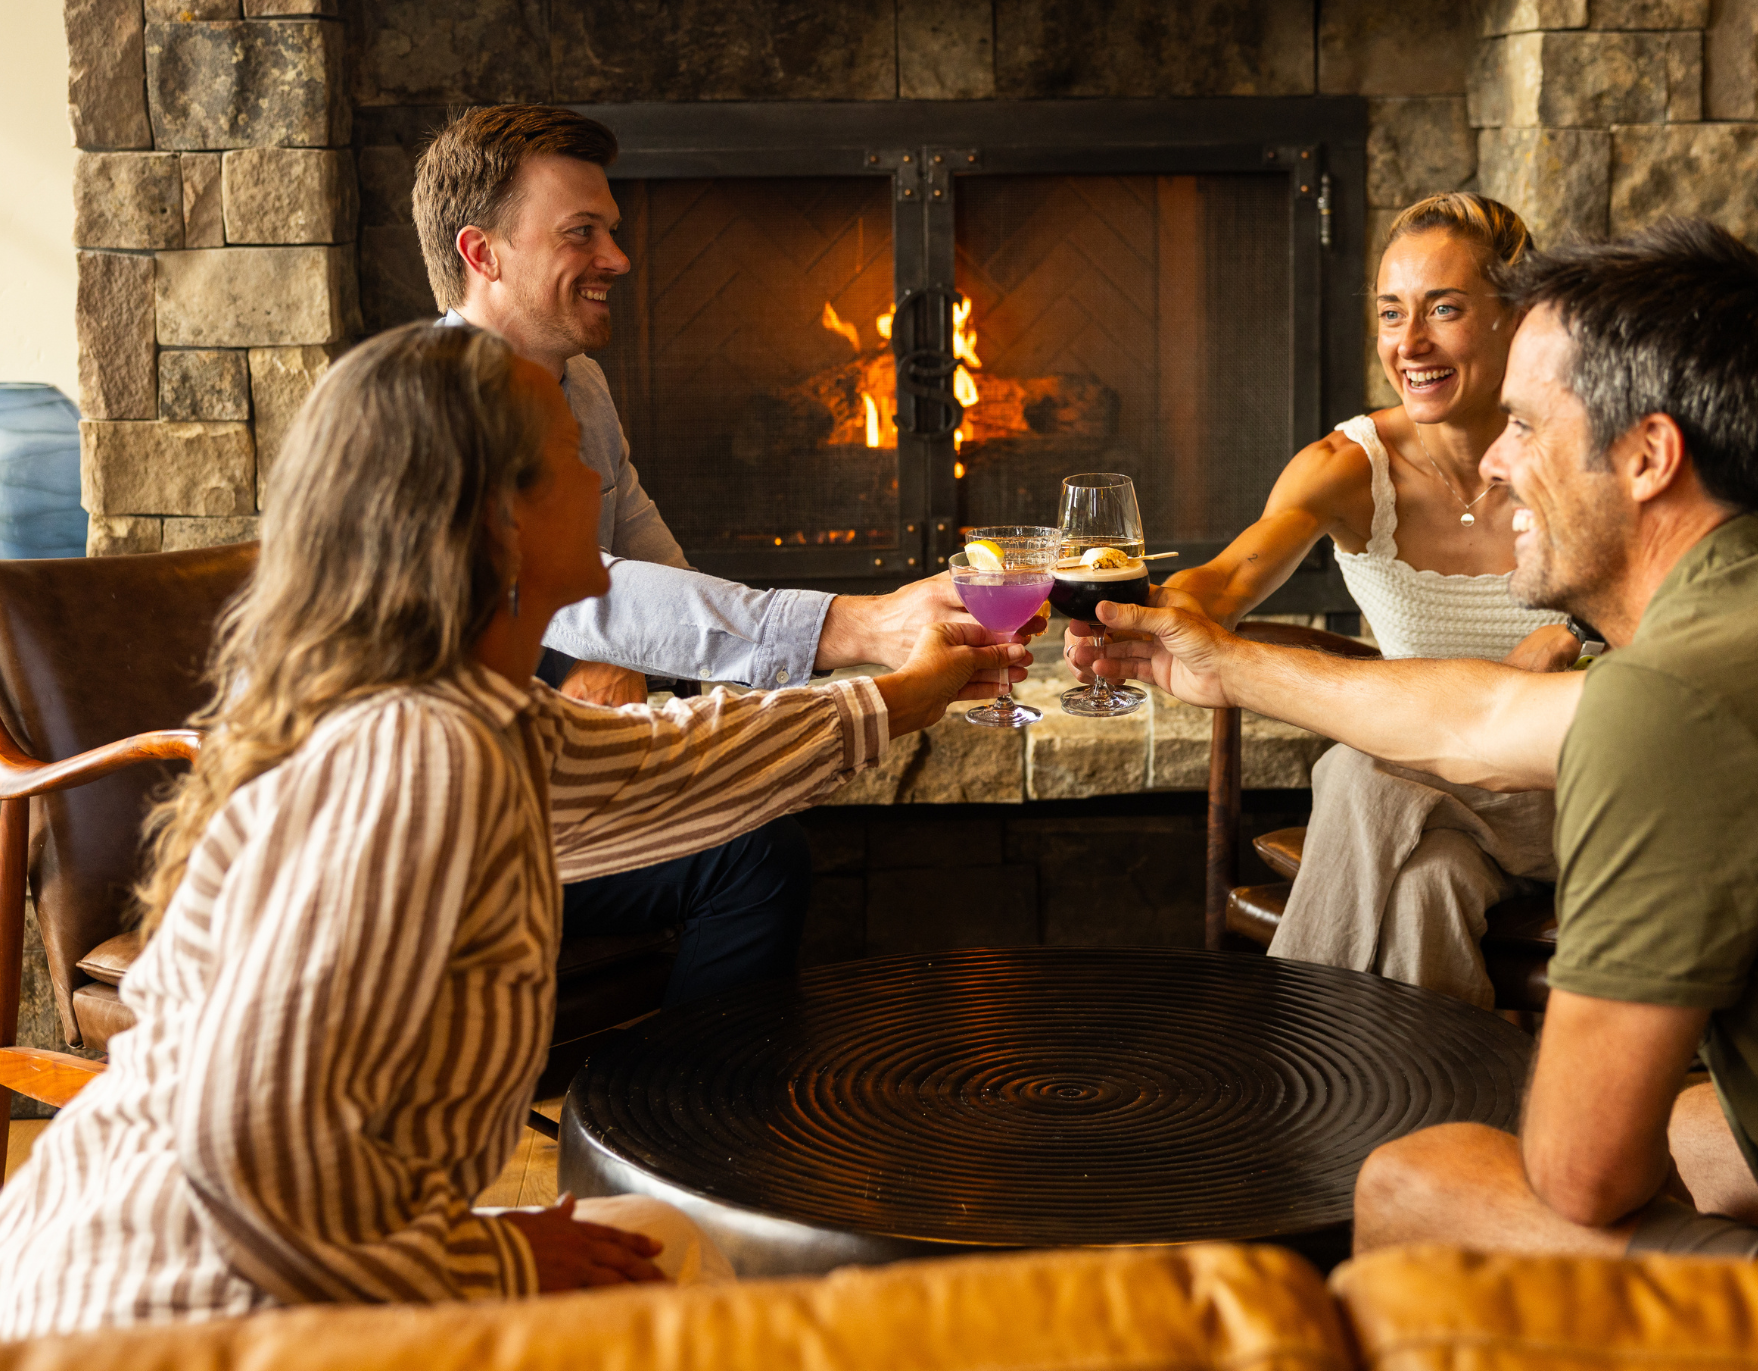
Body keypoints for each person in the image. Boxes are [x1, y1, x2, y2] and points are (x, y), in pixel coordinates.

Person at [0, 323, 1028, 1340]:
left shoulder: (459, 716)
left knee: (676, 1249)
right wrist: (490, 1255)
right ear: (500, 517)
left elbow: (674, 759)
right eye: (571, 457)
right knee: (693, 1285)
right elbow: (241, 1157)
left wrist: (900, 696)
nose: (597, 480)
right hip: (162, 1308)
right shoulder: (424, 753)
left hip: (240, 1257)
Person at [1083, 221, 1758, 1256]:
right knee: (1678, 1124)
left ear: (1646, 456)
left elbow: (1582, 1175)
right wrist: (1220, 663)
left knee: (1420, 1176)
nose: (1495, 464)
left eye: (1528, 426)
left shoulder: (1680, 706)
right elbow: (1476, 717)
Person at [411, 105, 985, 1008]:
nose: (618, 258)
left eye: (613, 230)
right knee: (752, 856)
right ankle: (683, 1120)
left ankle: (682, 1108)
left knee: (742, 819)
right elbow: (581, 597)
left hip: (508, 780)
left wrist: (678, 664)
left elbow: (628, 551)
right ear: (481, 253)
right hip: (442, 834)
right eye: (582, 233)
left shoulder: (577, 383)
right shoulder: (435, 410)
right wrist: (856, 632)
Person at [1116, 194, 1574, 1006]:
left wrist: (1571, 662)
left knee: (1360, 771)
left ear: (1517, 315)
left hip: (1578, 803)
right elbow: (1223, 582)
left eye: (1445, 309)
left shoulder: (1579, 454)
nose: (1410, 343)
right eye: (1392, 313)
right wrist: (1144, 611)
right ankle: (1432, 1119)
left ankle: (1291, 1087)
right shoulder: (1349, 465)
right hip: (1438, 813)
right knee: (1427, 887)